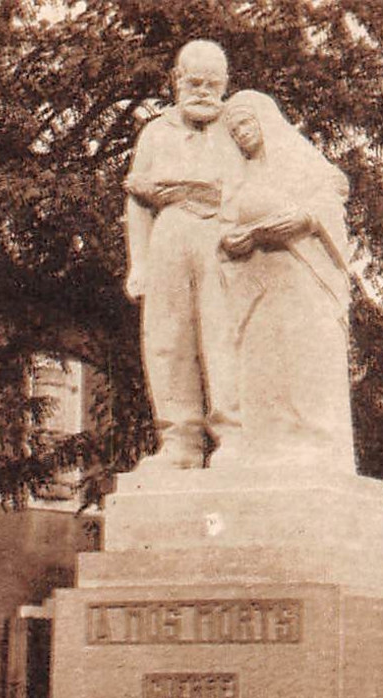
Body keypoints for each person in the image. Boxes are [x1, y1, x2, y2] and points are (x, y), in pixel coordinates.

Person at [215, 91, 355, 471]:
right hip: (257, 279)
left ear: (265, 120)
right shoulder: (240, 178)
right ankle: (267, 443)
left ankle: (313, 441)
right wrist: (236, 238)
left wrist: (306, 219)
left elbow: (331, 195)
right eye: (234, 129)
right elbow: (224, 228)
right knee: (262, 360)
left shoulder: (299, 161)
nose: (242, 134)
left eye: (246, 123)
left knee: (303, 354)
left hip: (301, 272)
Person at [123, 40, 245, 469]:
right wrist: (138, 263)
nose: (203, 91)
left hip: (221, 236)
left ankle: (234, 435)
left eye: (214, 83)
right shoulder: (155, 133)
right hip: (170, 236)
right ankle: (179, 442)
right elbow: (137, 202)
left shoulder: (236, 130)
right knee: (168, 338)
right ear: (176, 80)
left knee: (223, 336)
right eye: (194, 81)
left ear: (226, 85)